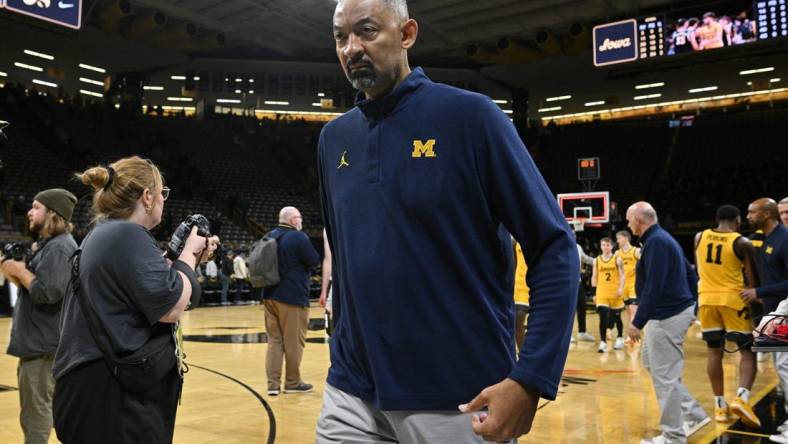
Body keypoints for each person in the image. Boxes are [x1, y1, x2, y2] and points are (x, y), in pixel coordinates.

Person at [317, 1, 579, 442]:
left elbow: (553, 246)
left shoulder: (472, 118)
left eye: (366, 31)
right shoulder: (332, 139)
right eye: (341, 37)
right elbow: (344, 262)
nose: (352, 48)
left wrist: (531, 377)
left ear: (407, 34)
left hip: (459, 396)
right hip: (351, 394)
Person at [51, 156, 219, 443]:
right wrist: (189, 254)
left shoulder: (108, 232)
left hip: (90, 386)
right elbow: (171, 306)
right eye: (162, 193)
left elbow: (144, 291)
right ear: (147, 197)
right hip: (107, 392)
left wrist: (176, 261)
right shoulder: (128, 233)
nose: (164, 201)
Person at [625, 202, 709, 444]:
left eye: (630, 220)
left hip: (665, 316)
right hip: (670, 313)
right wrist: (693, 303)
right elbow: (691, 272)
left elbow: (654, 286)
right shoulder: (662, 239)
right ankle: (693, 414)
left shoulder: (657, 243)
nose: (629, 225)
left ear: (639, 220)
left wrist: (636, 322)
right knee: (651, 363)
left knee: (665, 377)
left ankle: (674, 436)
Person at [0, 188, 78, 444]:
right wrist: (12, 268)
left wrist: (21, 272)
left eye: (36, 207)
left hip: (43, 346)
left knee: (36, 416)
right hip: (41, 343)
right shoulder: (50, 245)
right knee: (40, 410)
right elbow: (34, 287)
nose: (29, 212)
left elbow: (48, 293)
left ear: (52, 213)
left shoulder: (59, 249)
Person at [694, 205, 760, 427]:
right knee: (748, 352)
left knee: (714, 353)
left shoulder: (699, 236)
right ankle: (741, 397)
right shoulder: (742, 242)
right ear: (738, 220)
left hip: (706, 300)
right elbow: (753, 280)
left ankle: (720, 407)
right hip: (733, 301)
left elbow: (700, 269)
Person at [742, 198, 788, 443]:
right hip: (773, 310)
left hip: (784, 311)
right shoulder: (767, 238)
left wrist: (759, 292)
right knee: (781, 367)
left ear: (767, 214)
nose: (748, 215)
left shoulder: (785, 239)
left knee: (784, 366)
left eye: (752, 211)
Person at [263, 206, 320, 396]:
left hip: (269, 295)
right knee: (294, 342)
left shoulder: (269, 236)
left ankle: (272, 385)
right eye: (300, 218)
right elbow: (314, 261)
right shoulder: (298, 237)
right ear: (294, 220)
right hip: (292, 297)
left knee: (274, 342)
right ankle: (292, 382)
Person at [592, 237, 625, 353]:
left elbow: (622, 275)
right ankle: (603, 342)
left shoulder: (617, 259)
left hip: (615, 292)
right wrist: (594, 292)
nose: (605, 247)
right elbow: (594, 277)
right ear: (601, 246)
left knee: (616, 317)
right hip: (602, 292)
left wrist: (621, 287)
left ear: (612, 246)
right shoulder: (596, 260)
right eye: (603, 245)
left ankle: (620, 337)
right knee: (603, 317)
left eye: (607, 245)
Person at [616, 230, 641, 328]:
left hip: (634, 285)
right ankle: (632, 333)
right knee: (628, 312)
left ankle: (633, 336)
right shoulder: (617, 253)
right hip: (623, 285)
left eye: (619, 238)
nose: (617, 241)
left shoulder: (636, 251)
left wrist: (639, 267)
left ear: (626, 238)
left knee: (634, 309)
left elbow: (645, 261)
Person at [574, 235, 596, 343]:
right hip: (565, 282)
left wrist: (601, 260)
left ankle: (582, 332)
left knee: (582, 306)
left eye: (573, 234)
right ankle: (566, 335)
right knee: (568, 310)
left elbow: (586, 259)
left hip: (577, 281)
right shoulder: (559, 245)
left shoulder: (578, 247)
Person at [513, 241, 530, 352]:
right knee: (518, 320)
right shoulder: (514, 244)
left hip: (537, 285)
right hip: (520, 287)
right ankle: (523, 354)